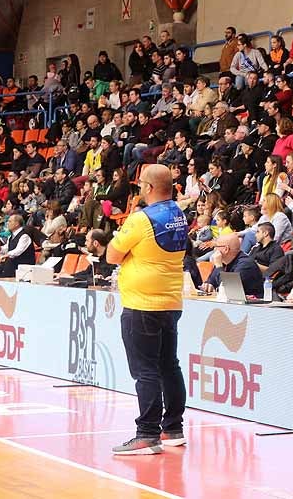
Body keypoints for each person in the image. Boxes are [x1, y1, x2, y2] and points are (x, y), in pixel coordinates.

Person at [105, 163, 189, 455]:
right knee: (169, 365)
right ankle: (173, 428)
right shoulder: (179, 214)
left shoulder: (141, 219)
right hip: (170, 300)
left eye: (141, 184)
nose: (139, 188)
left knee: (146, 371)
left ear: (150, 188)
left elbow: (112, 253)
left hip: (142, 303)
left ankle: (147, 434)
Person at [201, 233, 263, 298]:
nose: (214, 249)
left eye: (216, 246)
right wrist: (208, 284)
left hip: (252, 306)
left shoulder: (246, 264)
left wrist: (219, 266)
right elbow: (211, 280)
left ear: (226, 249)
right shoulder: (223, 261)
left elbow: (228, 289)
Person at [0, 214, 36, 279]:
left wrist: (4, 256)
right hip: (12, 262)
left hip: (23, 263)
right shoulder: (11, 236)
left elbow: (18, 251)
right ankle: (2, 281)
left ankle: (3, 279)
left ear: (16, 224)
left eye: (10, 221)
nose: (7, 223)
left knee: (8, 262)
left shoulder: (24, 236)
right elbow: (6, 249)